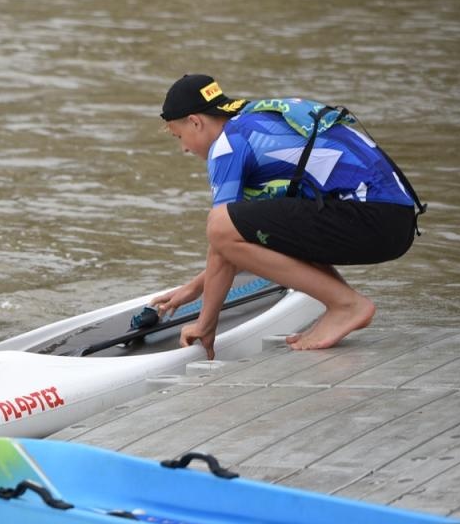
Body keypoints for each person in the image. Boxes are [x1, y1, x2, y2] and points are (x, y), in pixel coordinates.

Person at [153, 74, 423, 358]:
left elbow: (223, 235)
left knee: (219, 224)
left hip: (372, 218)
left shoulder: (228, 145)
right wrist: (195, 288)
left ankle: (346, 305)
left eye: (179, 136)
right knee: (243, 225)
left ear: (195, 121)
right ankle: (343, 304)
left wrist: (205, 325)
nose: (183, 147)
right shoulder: (256, 119)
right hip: (394, 221)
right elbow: (242, 241)